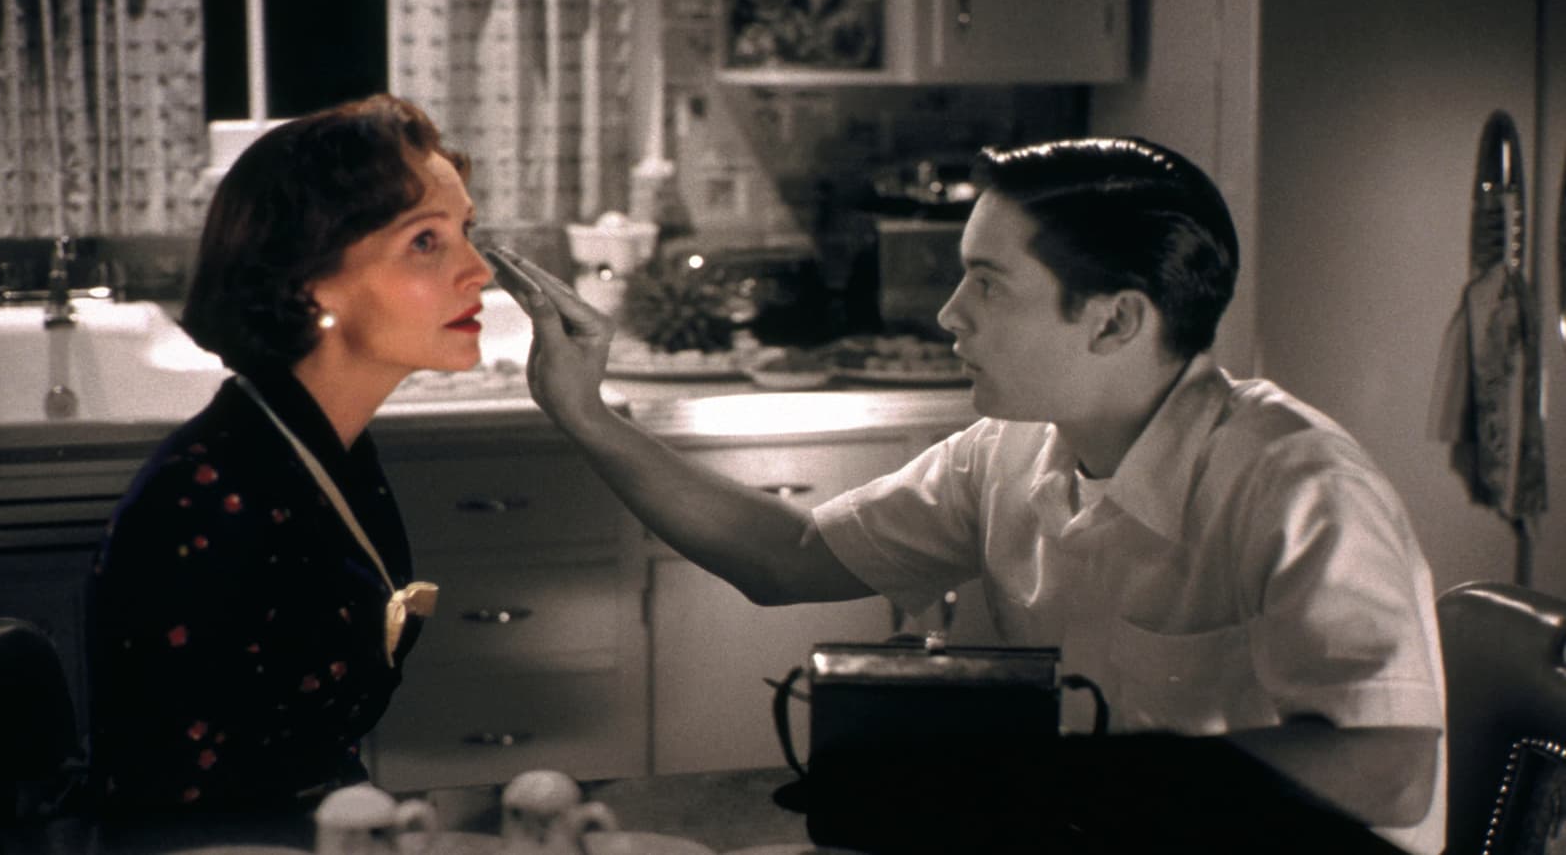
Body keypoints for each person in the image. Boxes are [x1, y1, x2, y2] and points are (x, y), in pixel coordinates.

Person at [488, 137, 1446, 854]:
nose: (950, 314)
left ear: (1114, 321)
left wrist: (1051, 776)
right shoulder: (1015, 450)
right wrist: (588, 416)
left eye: (987, 284)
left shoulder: (1298, 482)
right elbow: (791, 559)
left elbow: (1390, 770)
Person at [87, 94, 494, 811]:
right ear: (311, 282)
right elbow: (177, 805)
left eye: (467, 231)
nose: (479, 270)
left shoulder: (326, 443)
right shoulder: (210, 501)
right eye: (426, 242)